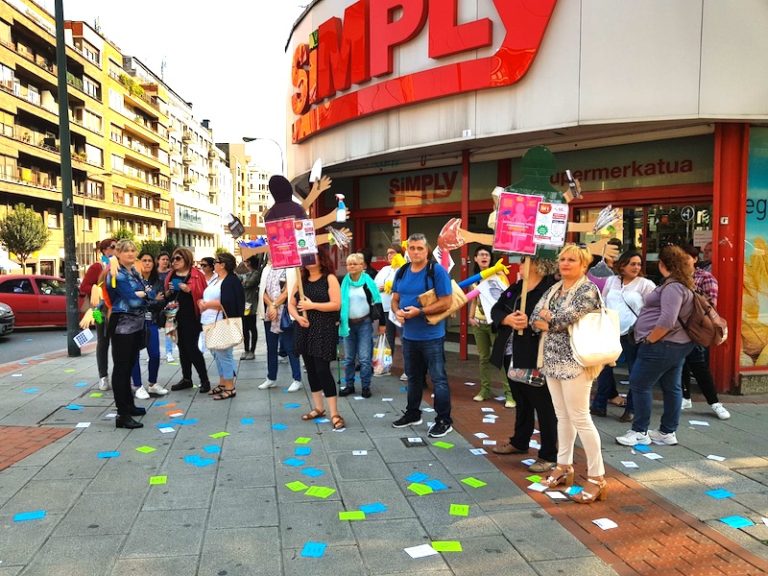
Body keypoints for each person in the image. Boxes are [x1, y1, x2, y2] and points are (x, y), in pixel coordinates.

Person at [530, 244, 607, 503]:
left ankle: (597, 477)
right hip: (552, 360)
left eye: (571, 260)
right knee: (562, 416)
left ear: (583, 265)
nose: (564, 263)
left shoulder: (587, 289)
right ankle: (563, 466)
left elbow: (564, 318)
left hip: (576, 361)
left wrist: (549, 320)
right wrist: (549, 320)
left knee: (581, 418)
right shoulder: (553, 289)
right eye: (562, 259)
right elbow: (534, 318)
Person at [616, 245, 696, 448]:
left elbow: (667, 321)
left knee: (640, 384)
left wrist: (650, 339)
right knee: (672, 387)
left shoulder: (673, 287)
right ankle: (666, 432)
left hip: (662, 345)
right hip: (675, 344)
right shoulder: (680, 284)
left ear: (662, 264)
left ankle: (639, 430)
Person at [490, 257, 559, 473]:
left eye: (525, 261)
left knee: (543, 405)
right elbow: (497, 308)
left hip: (534, 354)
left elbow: (554, 321)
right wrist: (507, 319)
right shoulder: (517, 286)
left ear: (538, 264)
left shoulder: (551, 289)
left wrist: (530, 323)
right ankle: (520, 441)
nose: (520, 265)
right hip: (511, 353)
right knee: (521, 400)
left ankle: (548, 455)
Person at [391, 233, 453, 438]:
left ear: (427, 250)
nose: (416, 252)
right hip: (409, 336)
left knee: (438, 379)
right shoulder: (402, 271)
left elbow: (446, 301)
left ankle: (444, 420)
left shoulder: (436, 271)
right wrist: (397, 311)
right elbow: (395, 298)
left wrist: (420, 312)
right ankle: (413, 413)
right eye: (412, 248)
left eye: (420, 248)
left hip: (432, 336)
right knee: (413, 378)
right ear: (407, 250)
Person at [590, 250, 655, 421]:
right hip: (610, 331)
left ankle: (631, 409)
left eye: (639, 264)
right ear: (623, 265)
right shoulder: (612, 280)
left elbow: (653, 309)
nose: (636, 267)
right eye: (632, 264)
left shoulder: (645, 284)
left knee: (635, 371)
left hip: (633, 333)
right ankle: (599, 405)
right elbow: (602, 302)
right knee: (603, 369)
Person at [288, 247, 344, 429]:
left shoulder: (329, 278)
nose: (310, 260)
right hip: (304, 329)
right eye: (306, 257)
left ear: (321, 258)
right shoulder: (300, 279)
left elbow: (336, 305)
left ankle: (334, 412)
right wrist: (298, 317)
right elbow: (291, 304)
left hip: (323, 330)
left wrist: (312, 306)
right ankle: (318, 407)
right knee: (311, 370)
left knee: (322, 370)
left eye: (313, 256)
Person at [680, 245, 730, 419]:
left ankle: (715, 402)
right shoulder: (675, 278)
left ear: (695, 259)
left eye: (686, 257)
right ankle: (685, 397)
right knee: (681, 364)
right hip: (678, 328)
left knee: (699, 365)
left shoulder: (706, 278)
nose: (683, 261)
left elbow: (710, 306)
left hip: (697, 329)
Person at [105, 240, 149, 429]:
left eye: (133, 250)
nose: (130, 254)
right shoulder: (117, 274)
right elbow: (132, 300)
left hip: (136, 324)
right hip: (122, 324)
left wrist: (143, 294)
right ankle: (122, 414)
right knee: (121, 368)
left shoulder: (133, 271)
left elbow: (145, 292)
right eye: (126, 251)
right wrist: (146, 296)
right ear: (118, 254)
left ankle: (129, 405)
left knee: (130, 364)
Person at [468, 245, 514, 407]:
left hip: (496, 323)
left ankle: (510, 394)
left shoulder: (498, 274)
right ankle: (484, 390)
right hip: (479, 323)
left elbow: (508, 294)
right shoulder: (474, 278)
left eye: (486, 254)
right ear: (475, 259)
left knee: (501, 358)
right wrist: (470, 317)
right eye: (480, 254)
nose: (484, 257)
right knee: (483, 358)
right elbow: (474, 300)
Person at [198, 252, 244, 400]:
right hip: (210, 321)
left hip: (221, 322)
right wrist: (202, 303)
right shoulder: (217, 279)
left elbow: (228, 303)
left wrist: (207, 305)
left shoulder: (230, 281)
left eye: (216, 262)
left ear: (223, 265)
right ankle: (223, 382)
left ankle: (230, 387)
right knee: (217, 354)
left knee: (224, 355)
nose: (214, 264)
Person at [339, 253, 386, 398]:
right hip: (348, 324)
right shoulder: (343, 282)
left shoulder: (368, 282)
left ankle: (366, 386)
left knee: (365, 358)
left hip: (364, 323)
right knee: (349, 358)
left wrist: (382, 323)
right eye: (349, 264)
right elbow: (339, 303)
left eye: (354, 264)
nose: (351, 266)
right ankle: (349, 385)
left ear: (362, 266)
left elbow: (377, 301)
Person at [164, 247, 211, 393]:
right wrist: (169, 291)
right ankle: (187, 379)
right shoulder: (171, 275)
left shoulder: (197, 275)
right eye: (173, 259)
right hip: (175, 317)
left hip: (192, 317)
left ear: (186, 258)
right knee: (182, 349)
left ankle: (204, 380)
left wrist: (189, 290)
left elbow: (204, 293)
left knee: (192, 348)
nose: (174, 261)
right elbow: (166, 295)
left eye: (178, 258)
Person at [258, 258, 303, 392]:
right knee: (271, 347)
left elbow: (289, 290)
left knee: (290, 347)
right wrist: (271, 306)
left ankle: (297, 379)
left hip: (285, 311)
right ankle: (271, 378)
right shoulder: (266, 269)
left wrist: (275, 305)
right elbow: (262, 290)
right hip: (270, 312)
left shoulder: (291, 268)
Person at [130, 252, 169, 400]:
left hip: (151, 321)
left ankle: (152, 383)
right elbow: (133, 301)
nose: (147, 263)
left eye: (150, 261)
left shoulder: (158, 281)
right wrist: (151, 299)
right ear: (140, 262)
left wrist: (147, 299)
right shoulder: (134, 281)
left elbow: (161, 302)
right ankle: (138, 385)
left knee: (155, 354)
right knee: (134, 355)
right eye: (144, 260)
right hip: (135, 321)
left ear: (153, 264)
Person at [80, 238, 115, 390]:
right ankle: (103, 377)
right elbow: (84, 286)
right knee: (102, 341)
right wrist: (98, 290)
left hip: (116, 309)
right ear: (105, 250)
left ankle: (118, 376)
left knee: (118, 342)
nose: (116, 250)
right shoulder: (97, 266)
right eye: (113, 247)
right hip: (99, 310)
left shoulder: (118, 266)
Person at [373, 243, 405, 377]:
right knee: (388, 339)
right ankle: (385, 365)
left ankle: (408, 370)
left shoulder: (404, 268)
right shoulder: (385, 269)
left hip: (399, 309)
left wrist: (391, 287)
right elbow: (374, 285)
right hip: (385, 308)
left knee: (404, 339)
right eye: (388, 253)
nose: (389, 255)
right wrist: (379, 288)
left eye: (392, 252)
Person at [241, 255, 262, 360]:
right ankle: (246, 350)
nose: (245, 263)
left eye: (247, 261)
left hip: (251, 304)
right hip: (243, 304)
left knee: (252, 328)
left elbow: (248, 284)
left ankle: (252, 350)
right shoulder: (246, 273)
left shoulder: (255, 273)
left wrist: (242, 282)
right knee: (244, 329)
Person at [156, 251, 175, 363]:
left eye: (167, 259)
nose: (165, 261)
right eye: (163, 259)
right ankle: (154, 352)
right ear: (158, 260)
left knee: (169, 328)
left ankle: (169, 352)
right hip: (156, 303)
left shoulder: (171, 273)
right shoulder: (154, 273)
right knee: (154, 329)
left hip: (169, 303)